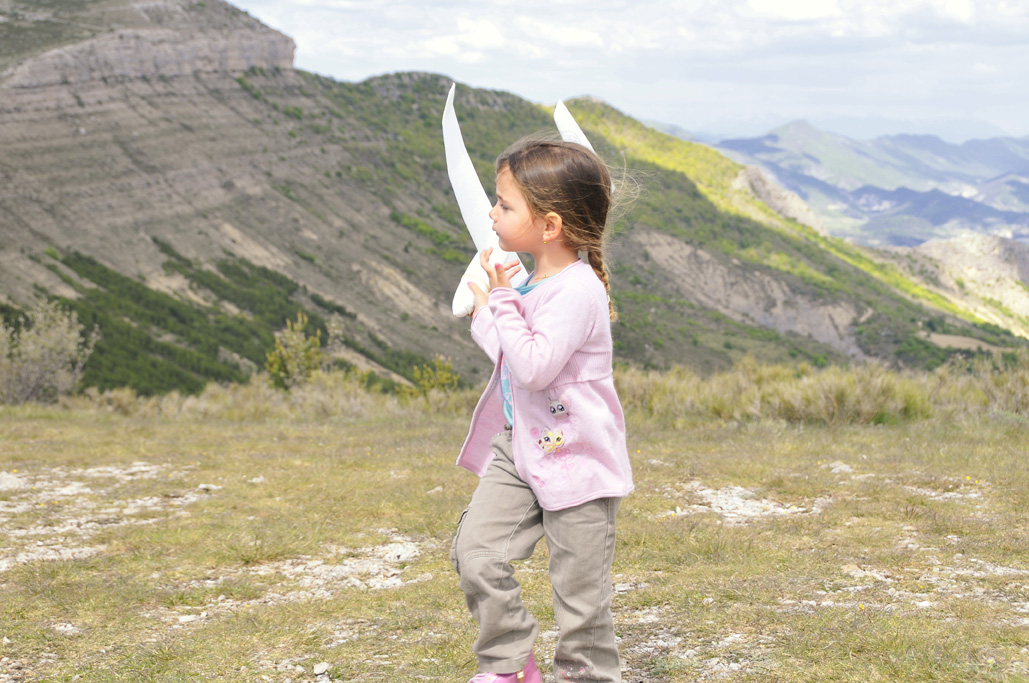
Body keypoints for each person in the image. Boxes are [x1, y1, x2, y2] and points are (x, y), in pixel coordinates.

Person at [450, 136, 634, 683]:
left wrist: (501, 299)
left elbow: (532, 368)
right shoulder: (534, 281)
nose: (491, 213)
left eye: (505, 205)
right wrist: (490, 306)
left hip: (575, 456)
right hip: (523, 446)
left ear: (549, 226)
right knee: (476, 551)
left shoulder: (577, 291)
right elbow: (517, 358)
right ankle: (510, 668)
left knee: (581, 602)